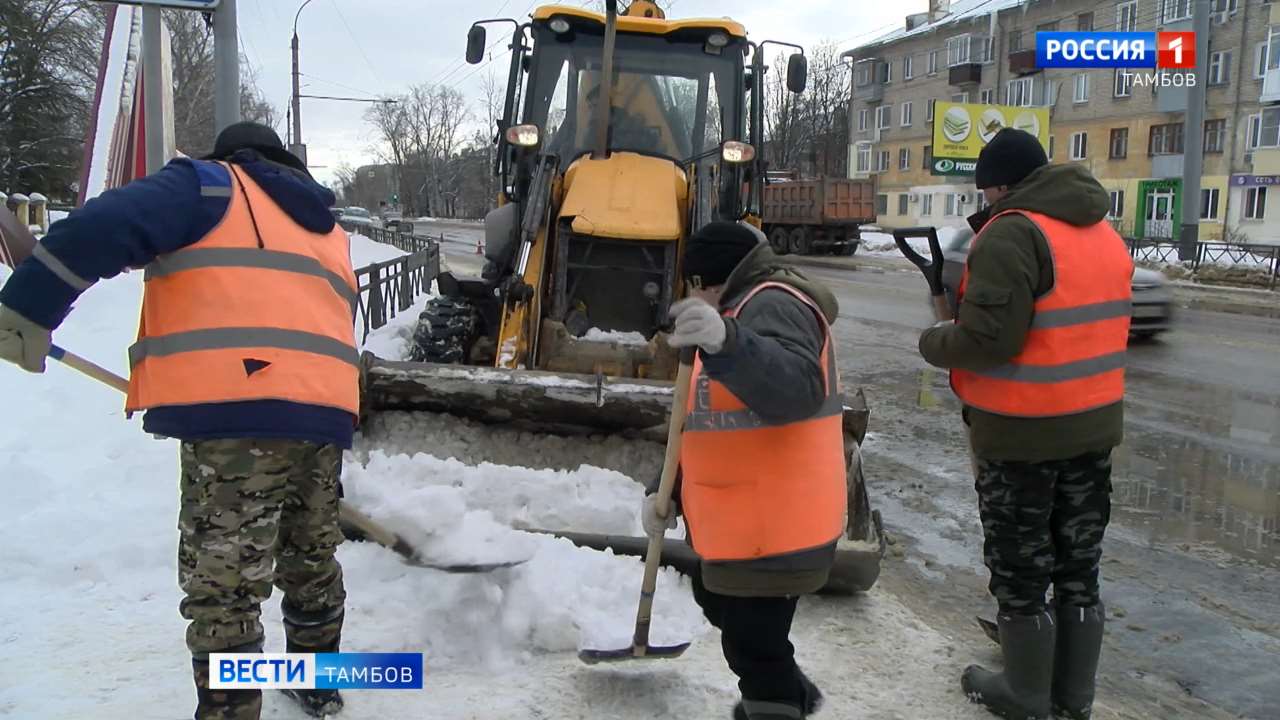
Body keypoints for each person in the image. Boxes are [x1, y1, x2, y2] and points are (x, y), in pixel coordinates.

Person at [0, 122, 358, 720]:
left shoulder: (209, 186)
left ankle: (230, 713)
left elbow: (101, 227)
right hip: (325, 411)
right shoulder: (326, 227)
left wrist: (26, 308)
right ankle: (317, 685)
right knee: (310, 558)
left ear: (234, 157)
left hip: (238, 417)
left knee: (227, 581)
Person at [918, 128, 1133, 720]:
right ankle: (1073, 696)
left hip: (1023, 435)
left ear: (1004, 186)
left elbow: (990, 340)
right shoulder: (1098, 231)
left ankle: (1026, 693)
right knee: (1077, 563)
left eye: (986, 190)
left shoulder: (1012, 231)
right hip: (1092, 428)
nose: (984, 201)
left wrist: (936, 340)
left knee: (1021, 565)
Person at [643, 221, 846, 720]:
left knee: (753, 646)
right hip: (748, 520)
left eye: (695, 285)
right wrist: (665, 490)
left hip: (776, 522)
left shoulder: (773, 303)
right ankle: (788, 694)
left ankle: (775, 702)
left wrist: (727, 341)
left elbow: (795, 390)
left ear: (711, 280)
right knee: (718, 600)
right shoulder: (736, 309)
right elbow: (706, 422)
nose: (694, 297)